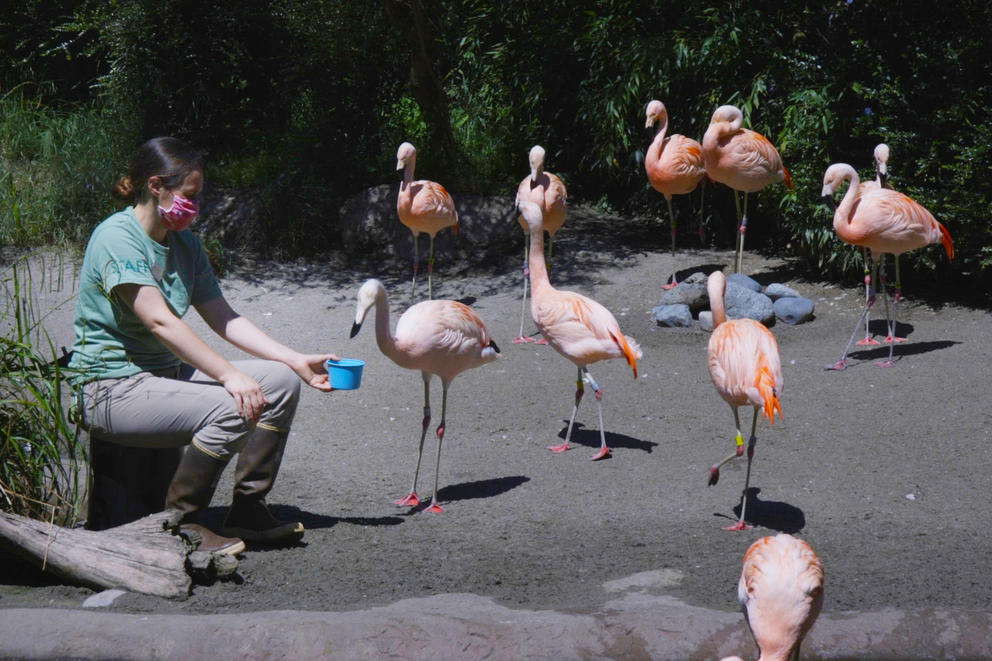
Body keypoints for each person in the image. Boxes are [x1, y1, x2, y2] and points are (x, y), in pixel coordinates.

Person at [69, 136, 337, 554]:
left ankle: (248, 509)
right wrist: (230, 375)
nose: (195, 206)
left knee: (281, 383)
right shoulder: (116, 239)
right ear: (156, 186)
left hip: (163, 377)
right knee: (233, 404)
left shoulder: (185, 244)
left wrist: (295, 359)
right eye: (190, 195)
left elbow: (225, 318)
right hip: (110, 388)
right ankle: (182, 524)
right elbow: (159, 321)